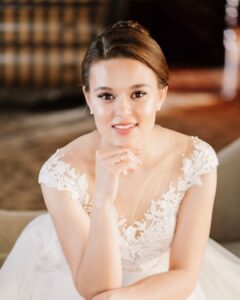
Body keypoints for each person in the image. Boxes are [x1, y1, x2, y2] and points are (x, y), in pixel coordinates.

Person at [0, 20, 239, 300]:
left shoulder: (195, 161)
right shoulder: (60, 173)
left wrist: (120, 299)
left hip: (161, 289)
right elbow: (94, 289)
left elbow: (185, 275)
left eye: (138, 94)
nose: (122, 112)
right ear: (88, 99)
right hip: (70, 280)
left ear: (161, 95)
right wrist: (103, 198)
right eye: (106, 96)